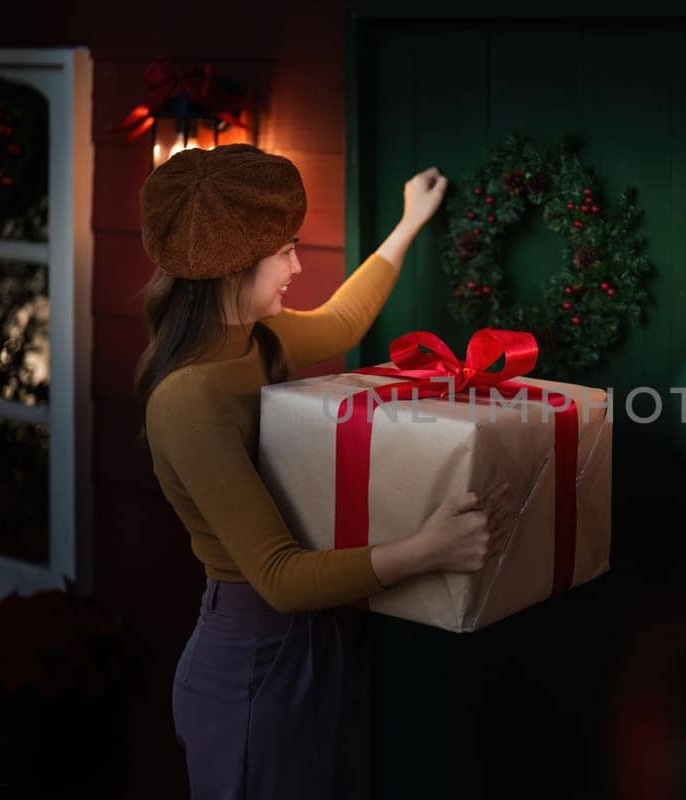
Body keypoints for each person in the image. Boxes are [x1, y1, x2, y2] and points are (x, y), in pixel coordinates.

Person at [132, 143, 513, 799]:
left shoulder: (258, 341)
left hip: (310, 645)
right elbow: (278, 577)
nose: (297, 264)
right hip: (250, 662)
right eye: (282, 251)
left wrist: (409, 221)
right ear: (230, 269)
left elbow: (342, 319)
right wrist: (428, 548)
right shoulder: (189, 400)